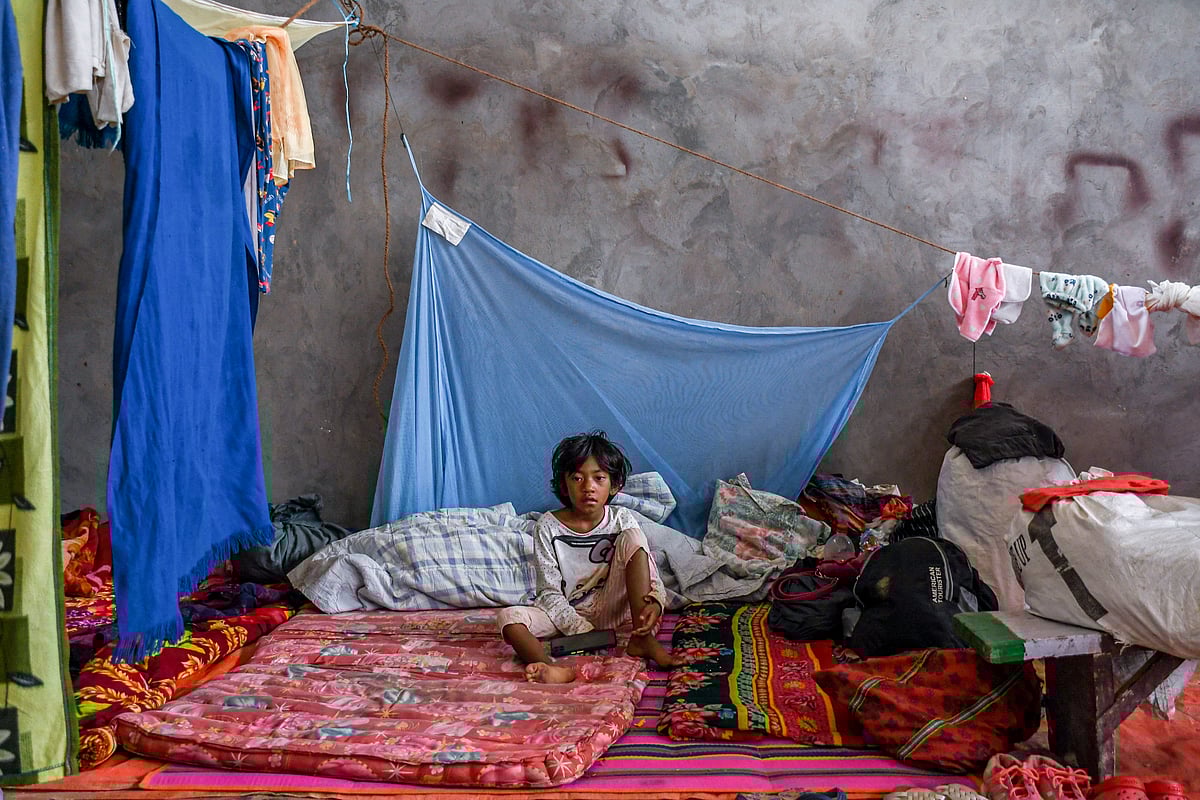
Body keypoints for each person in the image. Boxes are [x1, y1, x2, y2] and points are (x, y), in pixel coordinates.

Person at [497, 430, 680, 683]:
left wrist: (656, 602)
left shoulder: (620, 519)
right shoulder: (548, 526)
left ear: (614, 485)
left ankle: (642, 639)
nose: (588, 487)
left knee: (634, 538)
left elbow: (647, 567)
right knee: (508, 618)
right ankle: (548, 666)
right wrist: (582, 631)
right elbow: (549, 592)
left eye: (599, 478)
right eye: (577, 478)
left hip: (611, 607)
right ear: (564, 484)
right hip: (564, 615)